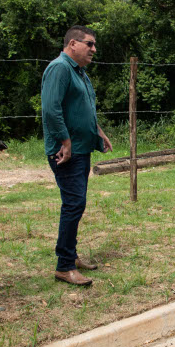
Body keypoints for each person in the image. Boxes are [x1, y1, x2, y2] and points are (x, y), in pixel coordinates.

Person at [41, 25, 112, 286]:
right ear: (73, 44)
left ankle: (71, 255)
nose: (94, 49)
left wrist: (98, 132)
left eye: (94, 44)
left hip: (81, 149)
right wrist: (66, 142)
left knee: (77, 204)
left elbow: (84, 108)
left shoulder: (79, 72)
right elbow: (51, 109)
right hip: (66, 152)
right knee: (73, 204)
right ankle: (64, 266)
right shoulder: (60, 68)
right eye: (89, 44)